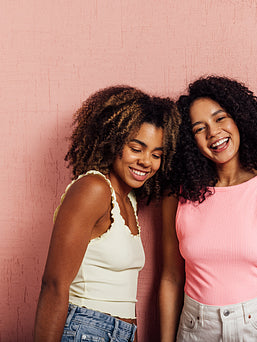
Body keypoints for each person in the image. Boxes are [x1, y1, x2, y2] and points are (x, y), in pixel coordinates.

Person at [34, 86, 180, 342]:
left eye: (157, 154)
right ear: (113, 142)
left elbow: (124, 296)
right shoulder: (93, 189)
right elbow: (54, 285)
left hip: (122, 334)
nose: (147, 161)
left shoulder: (129, 200)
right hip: (85, 329)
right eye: (137, 149)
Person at [160, 76, 257, 342]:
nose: (213, 133)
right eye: (200, 128)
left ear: (240, 119)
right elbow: (170, 278)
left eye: (220, 118)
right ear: (190, 141)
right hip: (195, 328)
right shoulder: (177, 197)